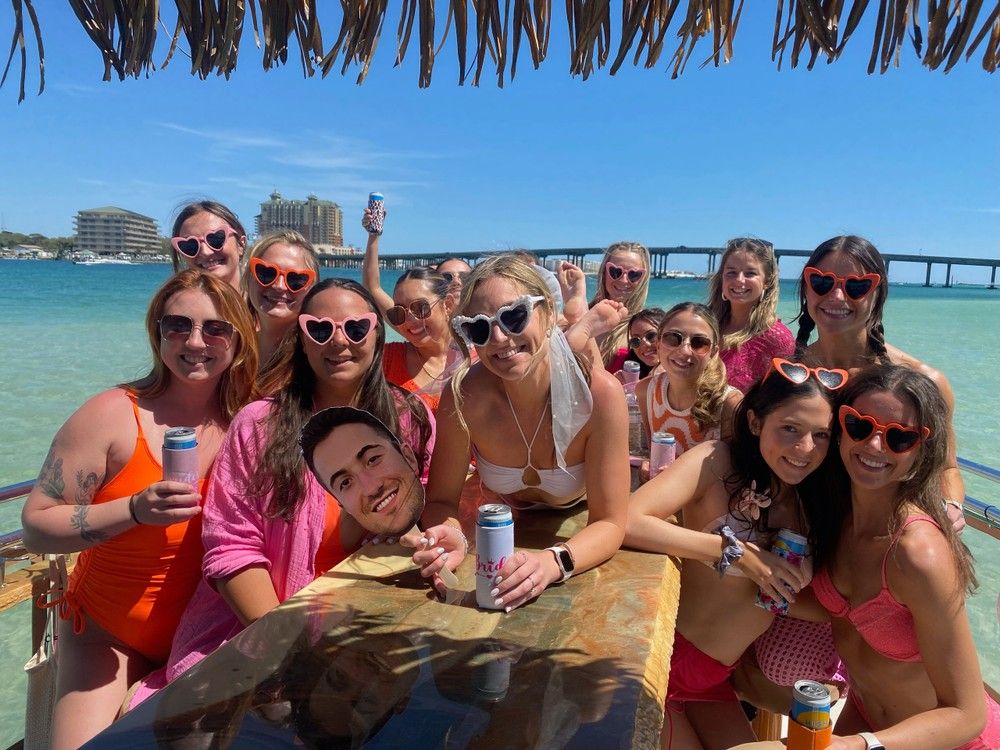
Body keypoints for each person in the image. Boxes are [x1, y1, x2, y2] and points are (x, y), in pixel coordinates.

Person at [127, 278, 435, 709]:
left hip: (368, 623)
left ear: (378, 335)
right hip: (261, 628)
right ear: (303, 342)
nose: (339, 342)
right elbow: (231, 548)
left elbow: (415, 511)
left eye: (356, 328)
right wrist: (291, 651)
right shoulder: (260, 426)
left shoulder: (410, 418)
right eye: (320, 330)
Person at [21, 270, 259, 749]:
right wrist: (132, 509)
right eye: (178, 326)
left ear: (238, 339)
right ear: (157, 333)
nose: (195, 341)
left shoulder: (249, 419)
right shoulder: (112, 413)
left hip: (207, 635)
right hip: (109, 637)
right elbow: (36, 526)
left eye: (215, 328)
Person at [624, 359, 847, 748]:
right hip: (664, 663)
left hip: (717, 676)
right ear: (756, 423)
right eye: (790, 429)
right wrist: (736, 553)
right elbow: (626, 520)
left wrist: (796, 584)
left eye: (822, 435)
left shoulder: (812, 504)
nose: (805, 448)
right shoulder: (716, 461)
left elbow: (802, 605)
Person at [411, 255, 629, 612]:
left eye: (514, 317)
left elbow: (610, 522)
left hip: (575, 517)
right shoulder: (464, 395)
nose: (499, 338)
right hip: (500, 521)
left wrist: (552, 562)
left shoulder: (599, 395)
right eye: (479, 329)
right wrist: (448, 534)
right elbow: (440, 502)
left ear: (546, 314)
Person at [806, 365, 999, 749]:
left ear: (922, 451)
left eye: (899, 438)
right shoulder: (835, 517)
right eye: (860, 426)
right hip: (863, 720)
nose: (875, 446)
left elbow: (967, 714)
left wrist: (858, 745)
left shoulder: (917, 553)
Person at [794, 235, 965, 520]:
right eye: (822, 282)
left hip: (882, 537)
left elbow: (947, 468)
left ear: (878, 294)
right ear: (806, 289)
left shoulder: (924, 381)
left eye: (856, 286)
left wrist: (951, 507)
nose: (836, 296)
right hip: (803, 537)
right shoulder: (789, 374)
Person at [361, 213, 458, 411]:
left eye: (420, 308)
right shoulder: (389, 358)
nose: (410, 321)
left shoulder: (476, 359)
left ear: (447, 305)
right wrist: (373, 236)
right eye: (399, 312)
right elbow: (373, 288)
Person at [635, 302, 742, 456]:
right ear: (658, 344)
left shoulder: (728, 404)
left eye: (699, 343)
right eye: (673, 338)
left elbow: (736, 473)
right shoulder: (646, 391)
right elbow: (653, 454)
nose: (685, 351)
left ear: (713, 352)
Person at [707, 237, 794, 393]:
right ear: (722, 278)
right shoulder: (705, 324)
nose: (739, 280)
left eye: (750, 273)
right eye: (731, 273)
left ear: (767, 281)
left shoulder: (776, 338)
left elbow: (780, 401)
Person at [241, 229, 319, 364]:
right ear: (249, 278)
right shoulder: (233, 351)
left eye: (295, 279)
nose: (279, 285)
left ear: (311, 289)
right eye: (266, 273)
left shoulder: (315, 358)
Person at [589, 241, 651, 366]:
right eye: (615, 271)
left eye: (634, 275)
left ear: (643, 279)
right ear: (604, 272)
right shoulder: (582, 314)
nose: (623, 280)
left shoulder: (647, 326)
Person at [169, 200, 248, 289]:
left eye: (215, 238)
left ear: (241, 244)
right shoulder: (174, 302)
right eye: (190, 245)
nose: (205, 252)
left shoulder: (264, 301)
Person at [611, 307, 665, 378]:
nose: (644, 344)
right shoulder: (624, 364)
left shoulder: (682, 369)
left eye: (651, 335)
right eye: (635, 340)